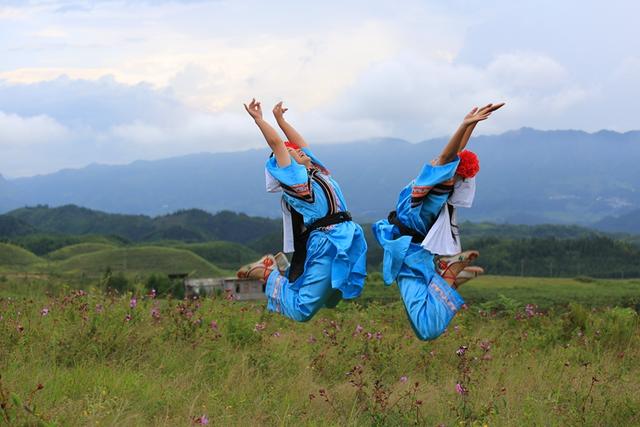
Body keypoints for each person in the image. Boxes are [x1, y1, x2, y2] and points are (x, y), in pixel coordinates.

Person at [372, 103, 504, 340]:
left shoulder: (437, 187)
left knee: (426, 328)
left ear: (451, 175)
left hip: (410, 255)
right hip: (413, 252)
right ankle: (450, 279)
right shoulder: (440, 188)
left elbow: (447, 157)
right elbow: (454, 157)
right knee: (421, 326)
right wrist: (468, 126)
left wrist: (464, 125)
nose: (435, 159)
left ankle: (448, 276)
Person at [238, 99, 367, 322]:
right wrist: (260, 120)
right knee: (302, 310)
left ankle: (286, 270)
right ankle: (268, 273)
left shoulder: (315, 172)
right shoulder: (297, 181)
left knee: (333, 294)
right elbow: (277, 144)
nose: (298, 151)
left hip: (343, 236)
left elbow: (300, 145)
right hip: (328, 242)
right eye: (292, 153)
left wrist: (281, 120)